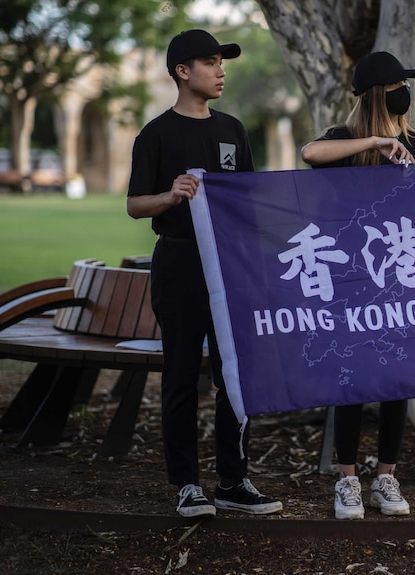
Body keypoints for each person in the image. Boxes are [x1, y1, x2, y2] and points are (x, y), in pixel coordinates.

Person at [301, 51, 415, 520]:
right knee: (353, 380)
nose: (406, 92)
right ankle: (349, 480)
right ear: (380, 92)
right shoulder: (344, 140)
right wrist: (374, 142)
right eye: (399, 84)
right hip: (353, 280)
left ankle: (387, 477)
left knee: (399, 378)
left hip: (404, 277)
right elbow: (309, 154)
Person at [126, 29, 282, 518]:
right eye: (211, 62)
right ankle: (187, 485)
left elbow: (249, 200)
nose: (221, 70)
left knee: (233, 376)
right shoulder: (154, 134)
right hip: (179, 262)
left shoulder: (233, 129)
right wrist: (170, 196)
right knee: (179, 377)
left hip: (230, 264)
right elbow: (134, 205)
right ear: (182, 71)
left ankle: (233, 482)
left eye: (222, 62)